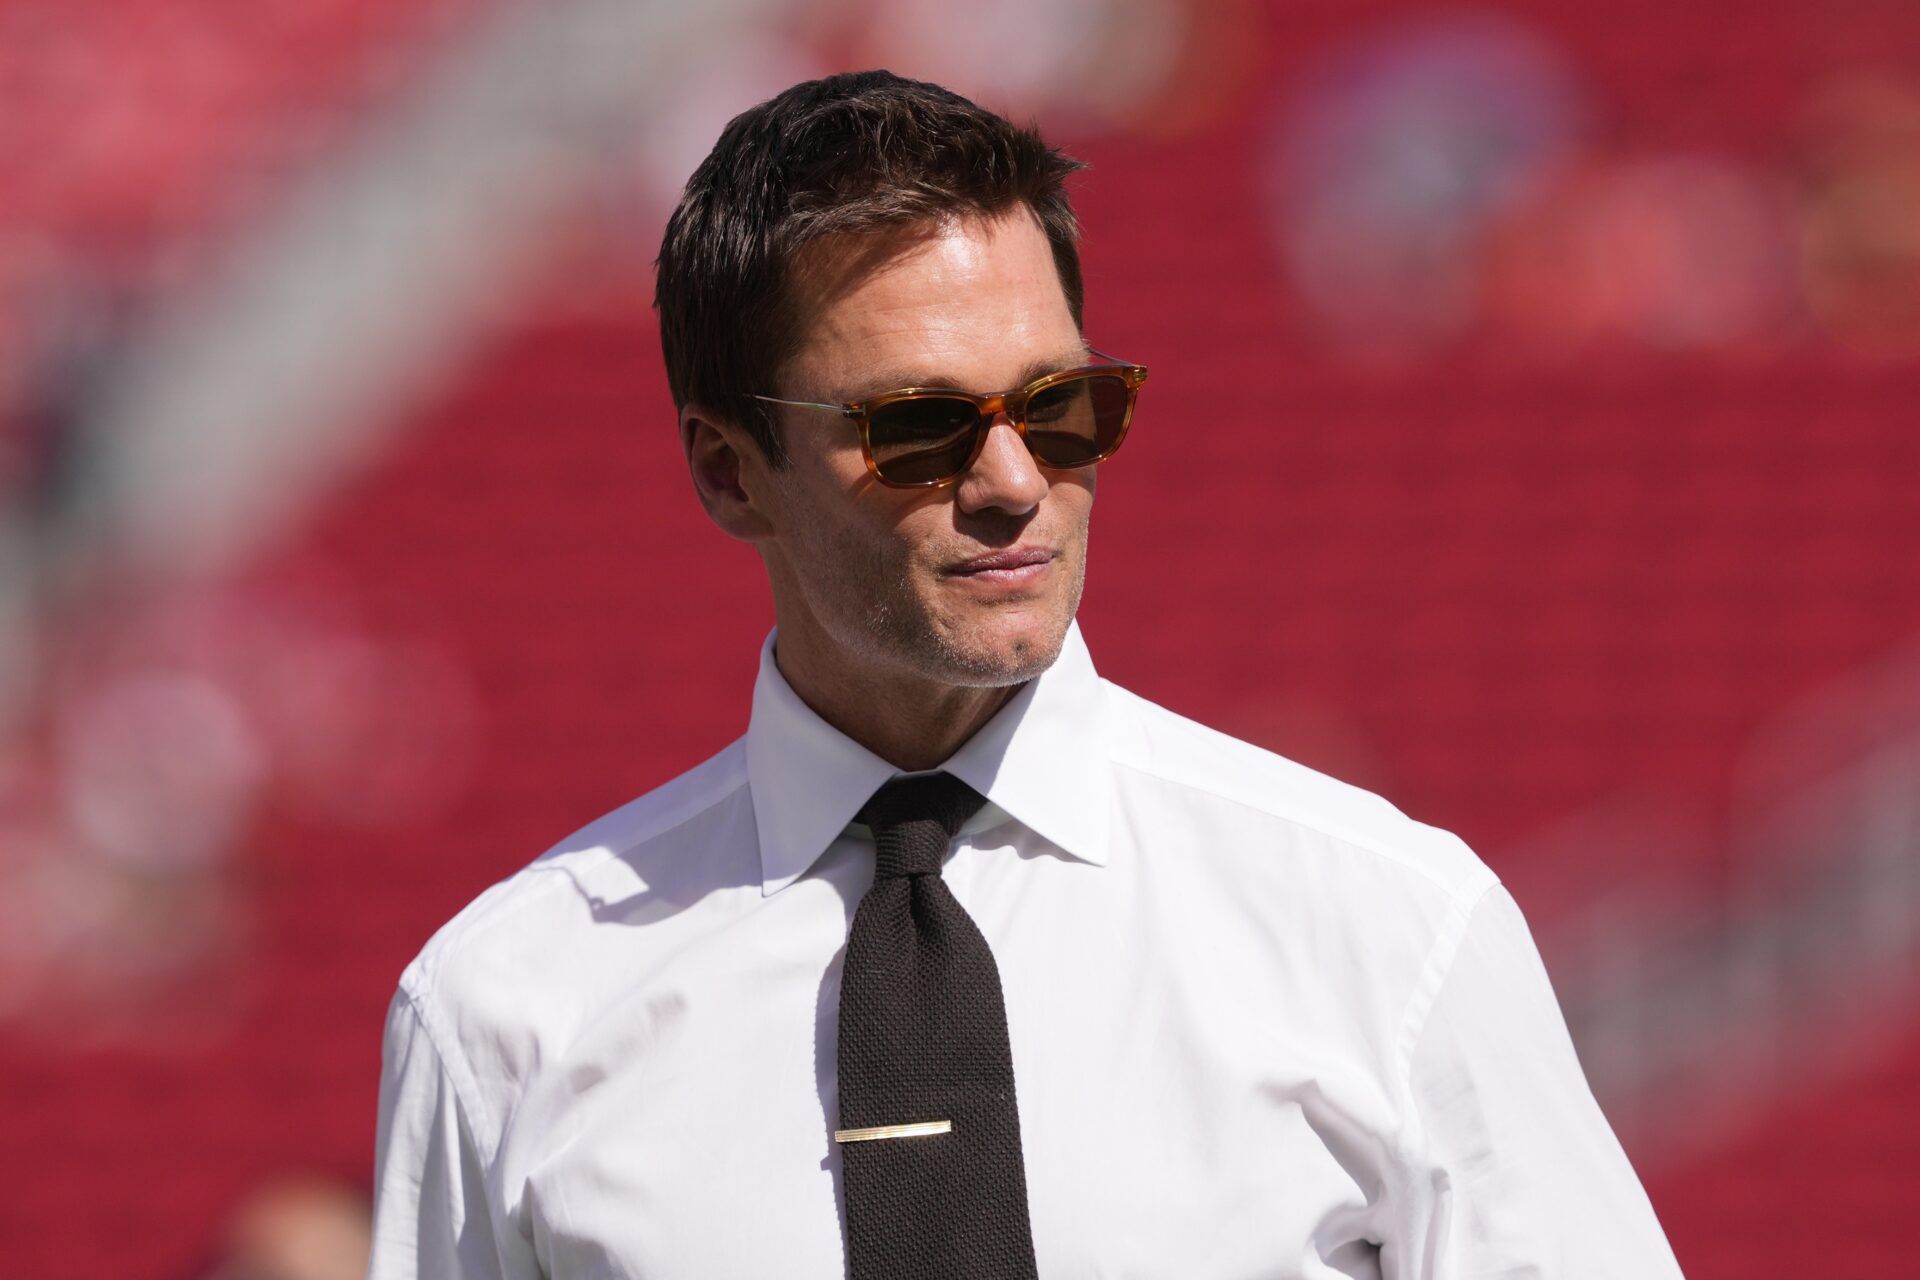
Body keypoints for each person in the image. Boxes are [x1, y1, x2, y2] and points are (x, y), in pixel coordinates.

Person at [367, 70, 1683, 1279]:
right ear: (728, 470)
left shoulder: (1388, 930)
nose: (1012, 483)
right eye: (921, 426)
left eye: (1062, 406)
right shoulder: (504, 1014)